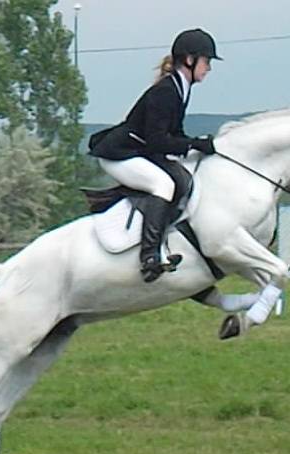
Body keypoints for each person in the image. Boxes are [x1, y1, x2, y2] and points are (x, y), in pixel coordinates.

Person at [88, 28, 221, 283]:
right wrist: (193, 144)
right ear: (190, 60)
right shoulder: (166, 91)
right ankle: (149, 256)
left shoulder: (180, 88)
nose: (209, 68)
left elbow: (174, 133)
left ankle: (165, 241)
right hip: (120, 154)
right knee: (163, 185)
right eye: (206, 61)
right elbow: (158, 140)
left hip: (140, 151)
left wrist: (195, 146)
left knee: (183, 179)